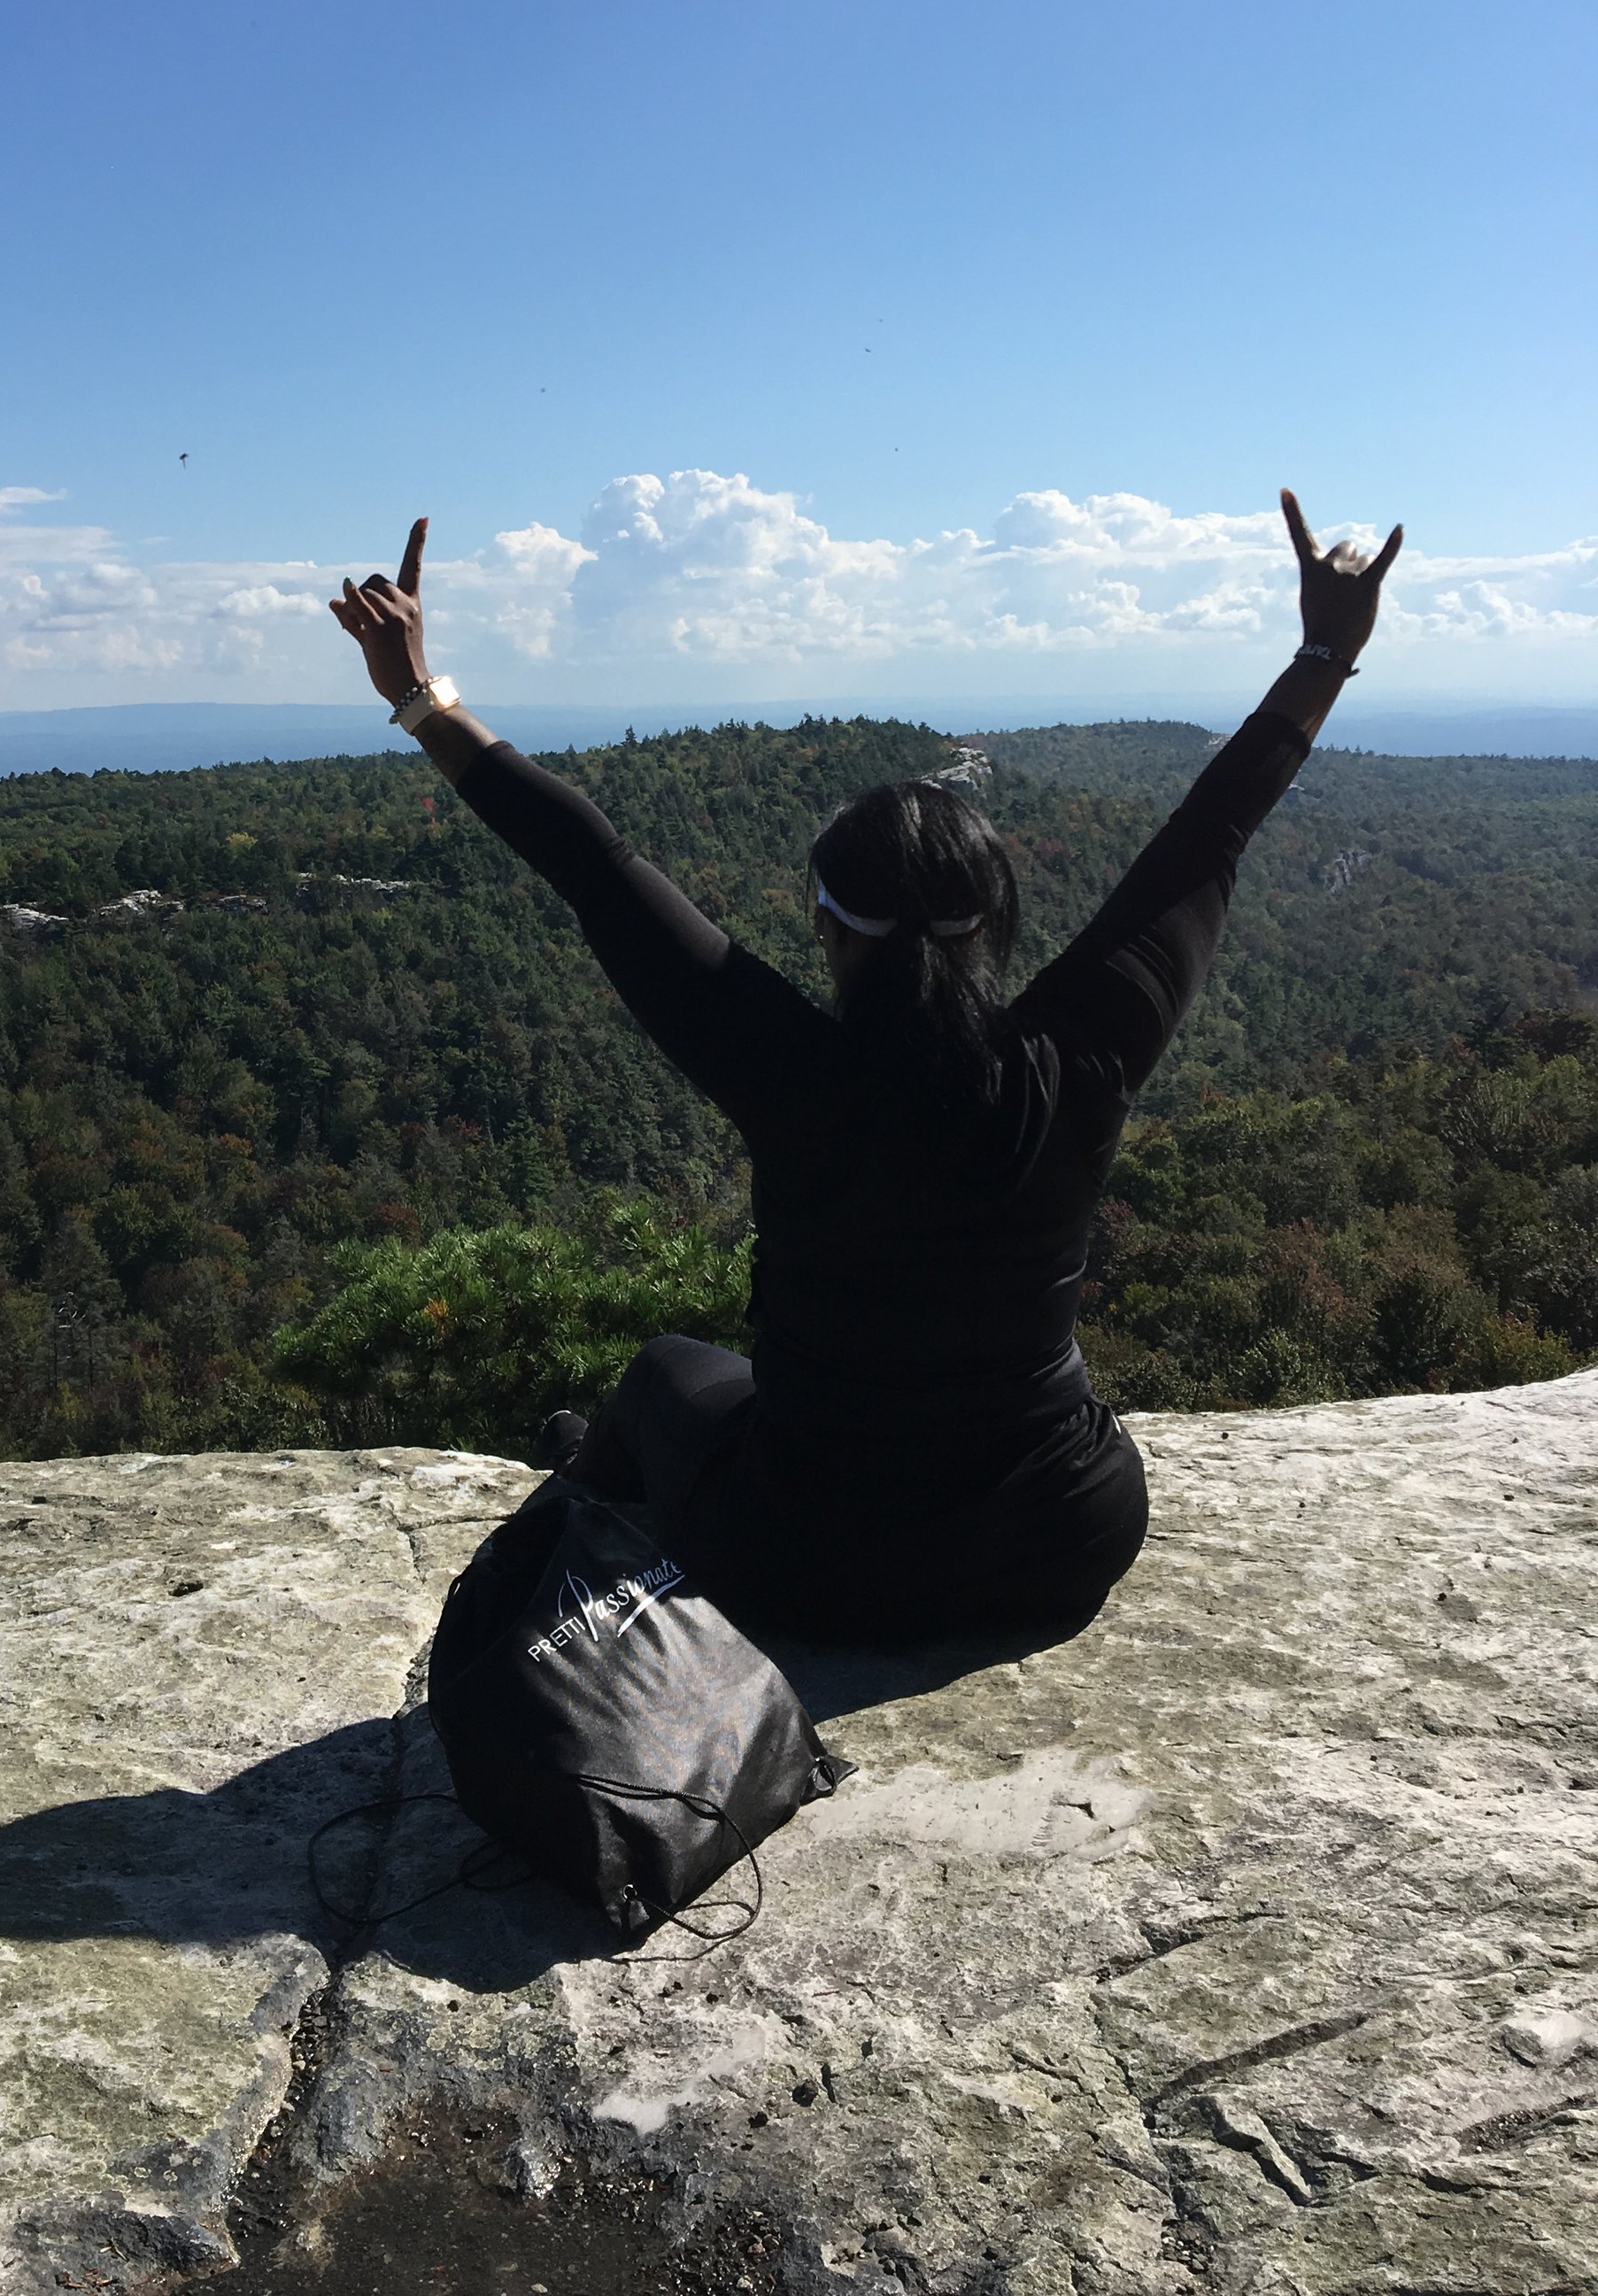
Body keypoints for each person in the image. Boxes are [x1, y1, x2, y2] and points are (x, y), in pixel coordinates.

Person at [328, 490, 1402, 1646]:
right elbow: (1214, 829)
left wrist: (418, 692)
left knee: (663, 1373)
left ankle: (572, 1524)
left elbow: (592, 862)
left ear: (829, 927)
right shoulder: (1080, 1054)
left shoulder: (784, 1066)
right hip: (1056, 1540)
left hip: (806, 1557)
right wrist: (1325, 651)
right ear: (997, 920)